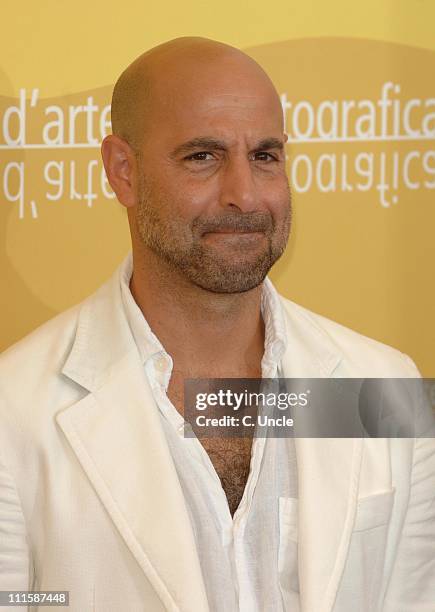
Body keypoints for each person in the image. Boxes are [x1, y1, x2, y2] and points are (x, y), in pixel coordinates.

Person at [0, 37, 433, 612]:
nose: (244, 194)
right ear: (122, 171)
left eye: (265, 156)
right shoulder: (14, 412)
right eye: (202, 157)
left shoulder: (383, 386)